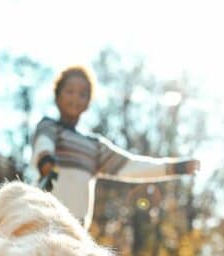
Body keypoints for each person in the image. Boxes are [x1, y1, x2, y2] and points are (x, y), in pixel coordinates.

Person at [30, 65, 200, 227]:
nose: (75, 98)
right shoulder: (49, 127)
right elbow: (44, 144)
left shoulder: (94, 147)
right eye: (70, 91)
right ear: (57, 96)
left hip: (75, 229)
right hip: (42, 220)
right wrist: (45, 160)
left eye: (82, 94)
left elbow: (132, 166)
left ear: (88, 102)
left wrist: (176, 167)